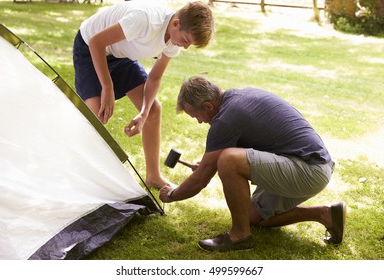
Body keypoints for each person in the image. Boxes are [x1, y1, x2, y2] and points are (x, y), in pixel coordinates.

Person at [159, 76, 346, 252]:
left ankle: (239, 236)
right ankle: (325, 214)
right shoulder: (237, 99)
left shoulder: (225, 119)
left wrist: (171, 195)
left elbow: (200, 180)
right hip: (312, 165)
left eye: (196, 116)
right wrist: (208, 163)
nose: (199, 122)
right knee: (251, 216)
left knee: (228, 160)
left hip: (309, 169)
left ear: (208, 106)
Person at [73, 1, 214, 189]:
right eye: (186, 40)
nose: (185, 47)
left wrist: (143, 113)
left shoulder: (173, 41)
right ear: (176, 23)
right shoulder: (144, 20)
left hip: (120, 54)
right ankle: (83, 175)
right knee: (96, 115)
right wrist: (107, 87)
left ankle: (153, 176)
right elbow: (96, 42)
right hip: (90, 48)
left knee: (153, 110)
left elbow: (154, 78)